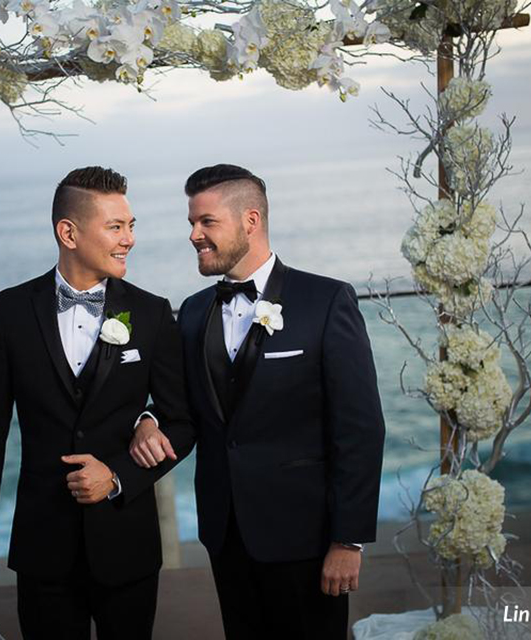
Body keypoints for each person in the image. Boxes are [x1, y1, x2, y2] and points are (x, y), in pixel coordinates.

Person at [131, 164, 385, 638]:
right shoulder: (191, 312)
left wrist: (348, 539)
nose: (193, 235)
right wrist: (147, 419)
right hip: (226, 535)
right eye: (191, 222)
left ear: (250, 221)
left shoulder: (327, 301)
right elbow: (178, 407)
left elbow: (361, 428)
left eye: (206, 222)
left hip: (307, 537)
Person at [0, 166, 195, 640]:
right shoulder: (11, 311)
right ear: (68, 232)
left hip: (127, 544)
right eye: (115, 227)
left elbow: (183, 423)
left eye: (131, 226)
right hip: (44, 544)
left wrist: (119, 474)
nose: (128, 239)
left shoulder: (151, 312)